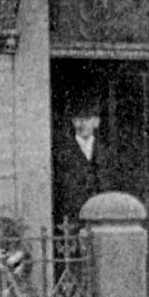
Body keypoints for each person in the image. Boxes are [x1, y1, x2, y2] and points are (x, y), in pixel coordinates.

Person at [51, 98, 113, 229]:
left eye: (88, 119)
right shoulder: (63, 152)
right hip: (74, 216)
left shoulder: (106, 151)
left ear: (96, 122)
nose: (82, 124)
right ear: (73, 122)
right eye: (78, 119)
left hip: (101, 214)